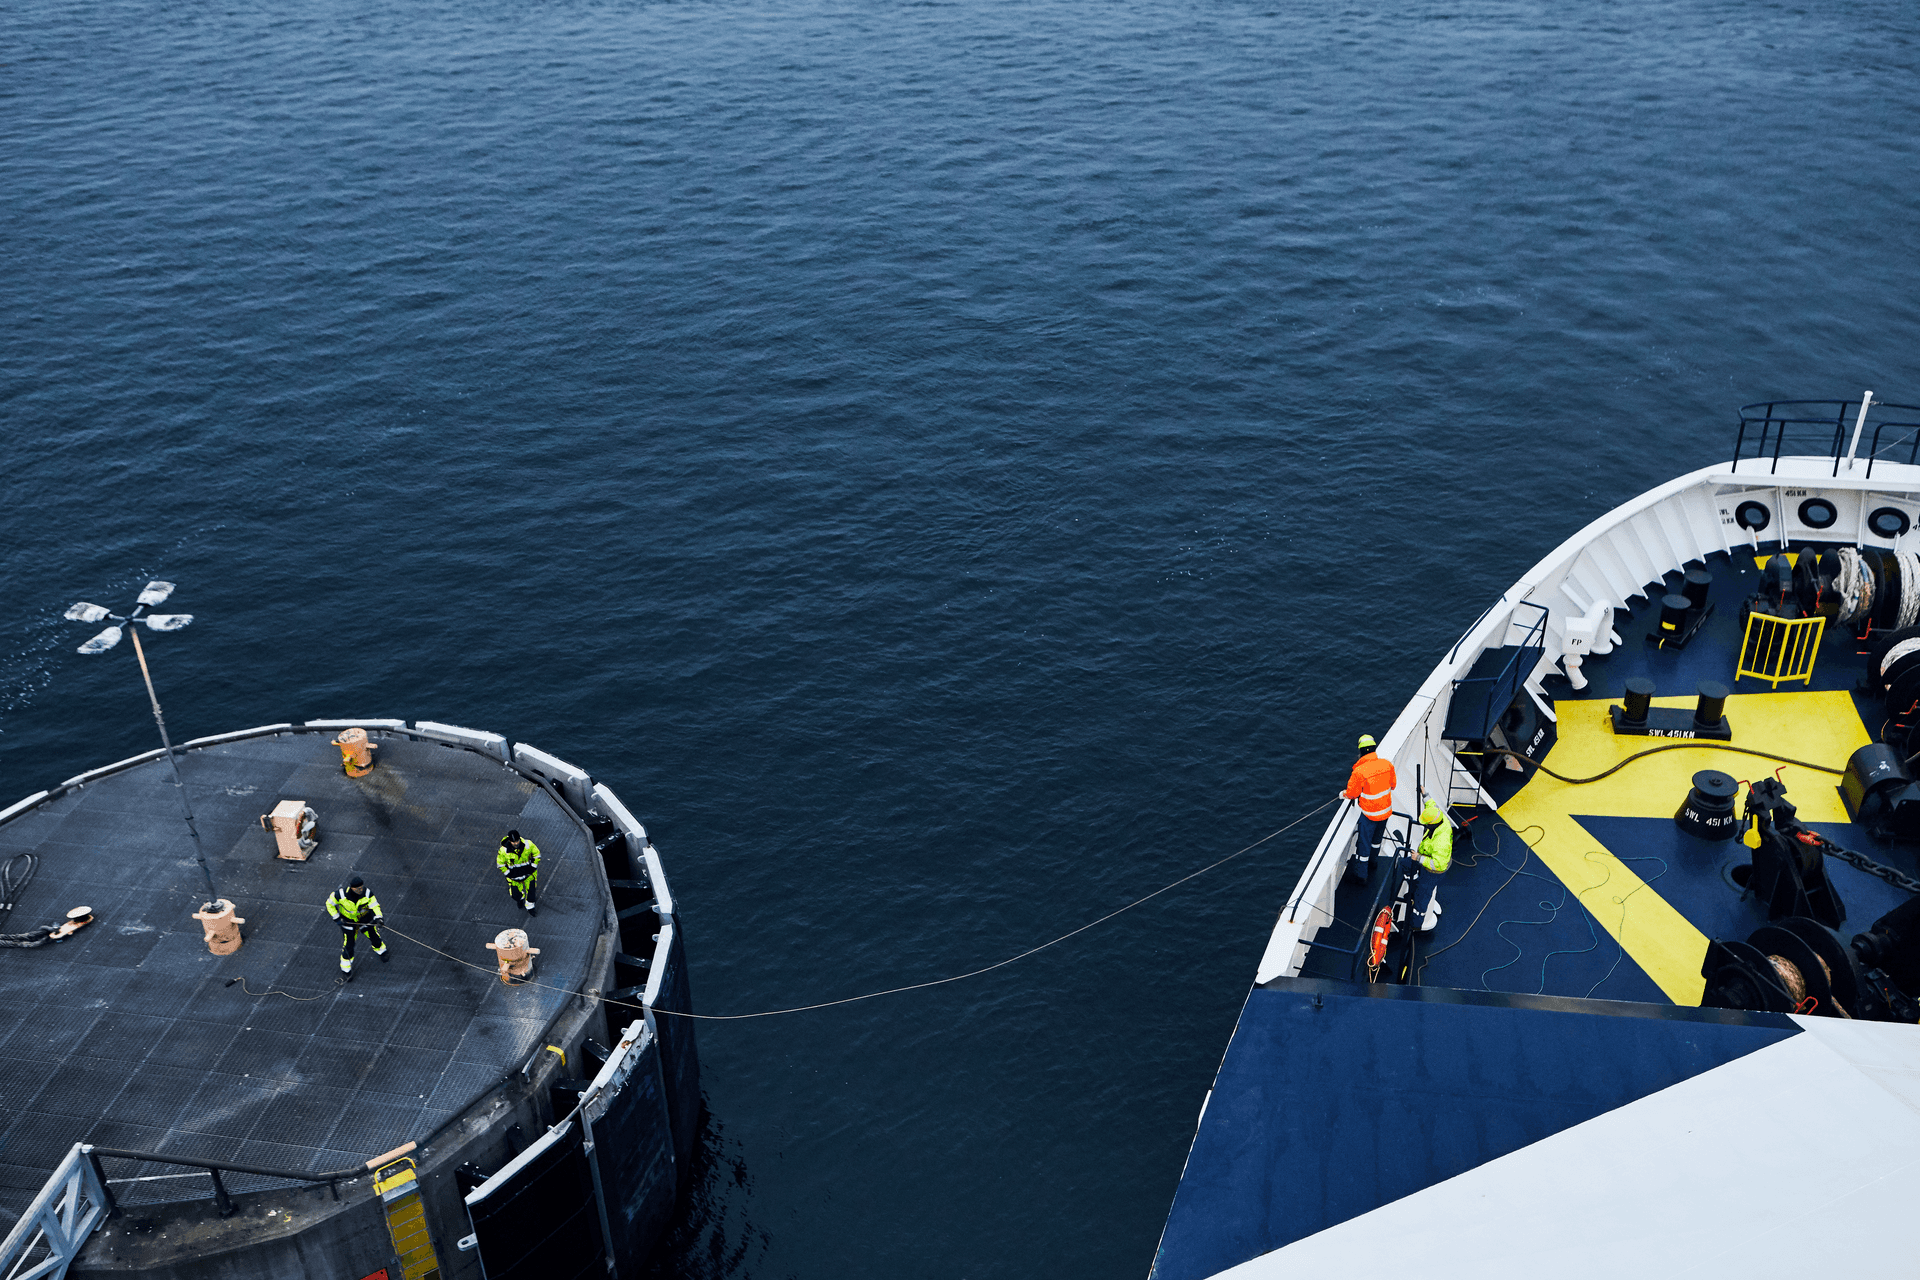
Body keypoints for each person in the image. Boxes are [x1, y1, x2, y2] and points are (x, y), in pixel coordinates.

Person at [1341, 734, 1396, 880]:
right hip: (1385, 812)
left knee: (1364, 844)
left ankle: (1361, 875)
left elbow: (1352, 794)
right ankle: (1373, 862)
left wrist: (1343, 794)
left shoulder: (1359, 772)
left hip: (1370, 815)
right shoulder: (1387, 764)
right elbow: (1393, 785)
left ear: (1361, 752)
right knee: (1376, 841)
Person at [325, 876, 387, 980]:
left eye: (361, 887)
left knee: (374, 937)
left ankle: (381, 951)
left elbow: (375, 906)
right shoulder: (340, 895)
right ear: (352, 888)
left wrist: (379, 918)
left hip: (365, 920)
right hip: (348, 922)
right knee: (349, 945)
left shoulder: (367, 894)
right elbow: (329, 904)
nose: (360, 890)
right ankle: (346, 970)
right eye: (358, 888)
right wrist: (337, 918)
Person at [1412, 799, 1451, 932]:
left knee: (1422, 896)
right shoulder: (1440, 819)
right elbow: (1432, 807)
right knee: (1405, 865)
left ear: (1432, 825)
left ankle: (1416, 923)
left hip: (1432, 872)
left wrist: (1419, 858)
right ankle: (1413, 886)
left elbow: (1437, 865)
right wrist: (1425, 795)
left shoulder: (1441, 842)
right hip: (1429, 863)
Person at [498, 829, 542, 916]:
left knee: (531, 893)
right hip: (514, 878)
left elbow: (537, 854)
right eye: (513, 842)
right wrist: (508, 874)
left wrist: (533, 867)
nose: (516, 843)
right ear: (510, 841)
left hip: (529, 875)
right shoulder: (503, 851)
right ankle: (520, 898)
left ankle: (530, 908)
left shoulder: (528, 844)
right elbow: (500, 864)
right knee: (515, 894)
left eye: (517, 841)